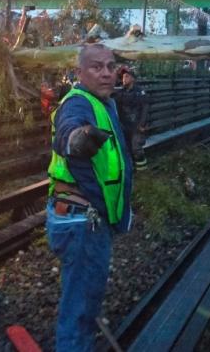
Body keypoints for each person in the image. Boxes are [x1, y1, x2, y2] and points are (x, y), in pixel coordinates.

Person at [46, 44, 133, 351]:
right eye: (97, 67)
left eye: (111, 66)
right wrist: (75, 139)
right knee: (81, 312)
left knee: (82, 303)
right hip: (82, 222)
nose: (107, 73)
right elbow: (68, 131)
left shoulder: (104, 103)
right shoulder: (78, 103)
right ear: (79, 73)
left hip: (84, 218)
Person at [113, 67, 150, 170]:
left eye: (127, 76)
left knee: (136, 148)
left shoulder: (140, 92)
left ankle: (143, 171)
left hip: (137, 126)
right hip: (124, 126)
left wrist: (142, 124)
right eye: (123, 77)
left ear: (133, 78)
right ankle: (132, 170)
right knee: (126, 148)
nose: (124, 79)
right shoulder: (120, 92)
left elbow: (145, 108)